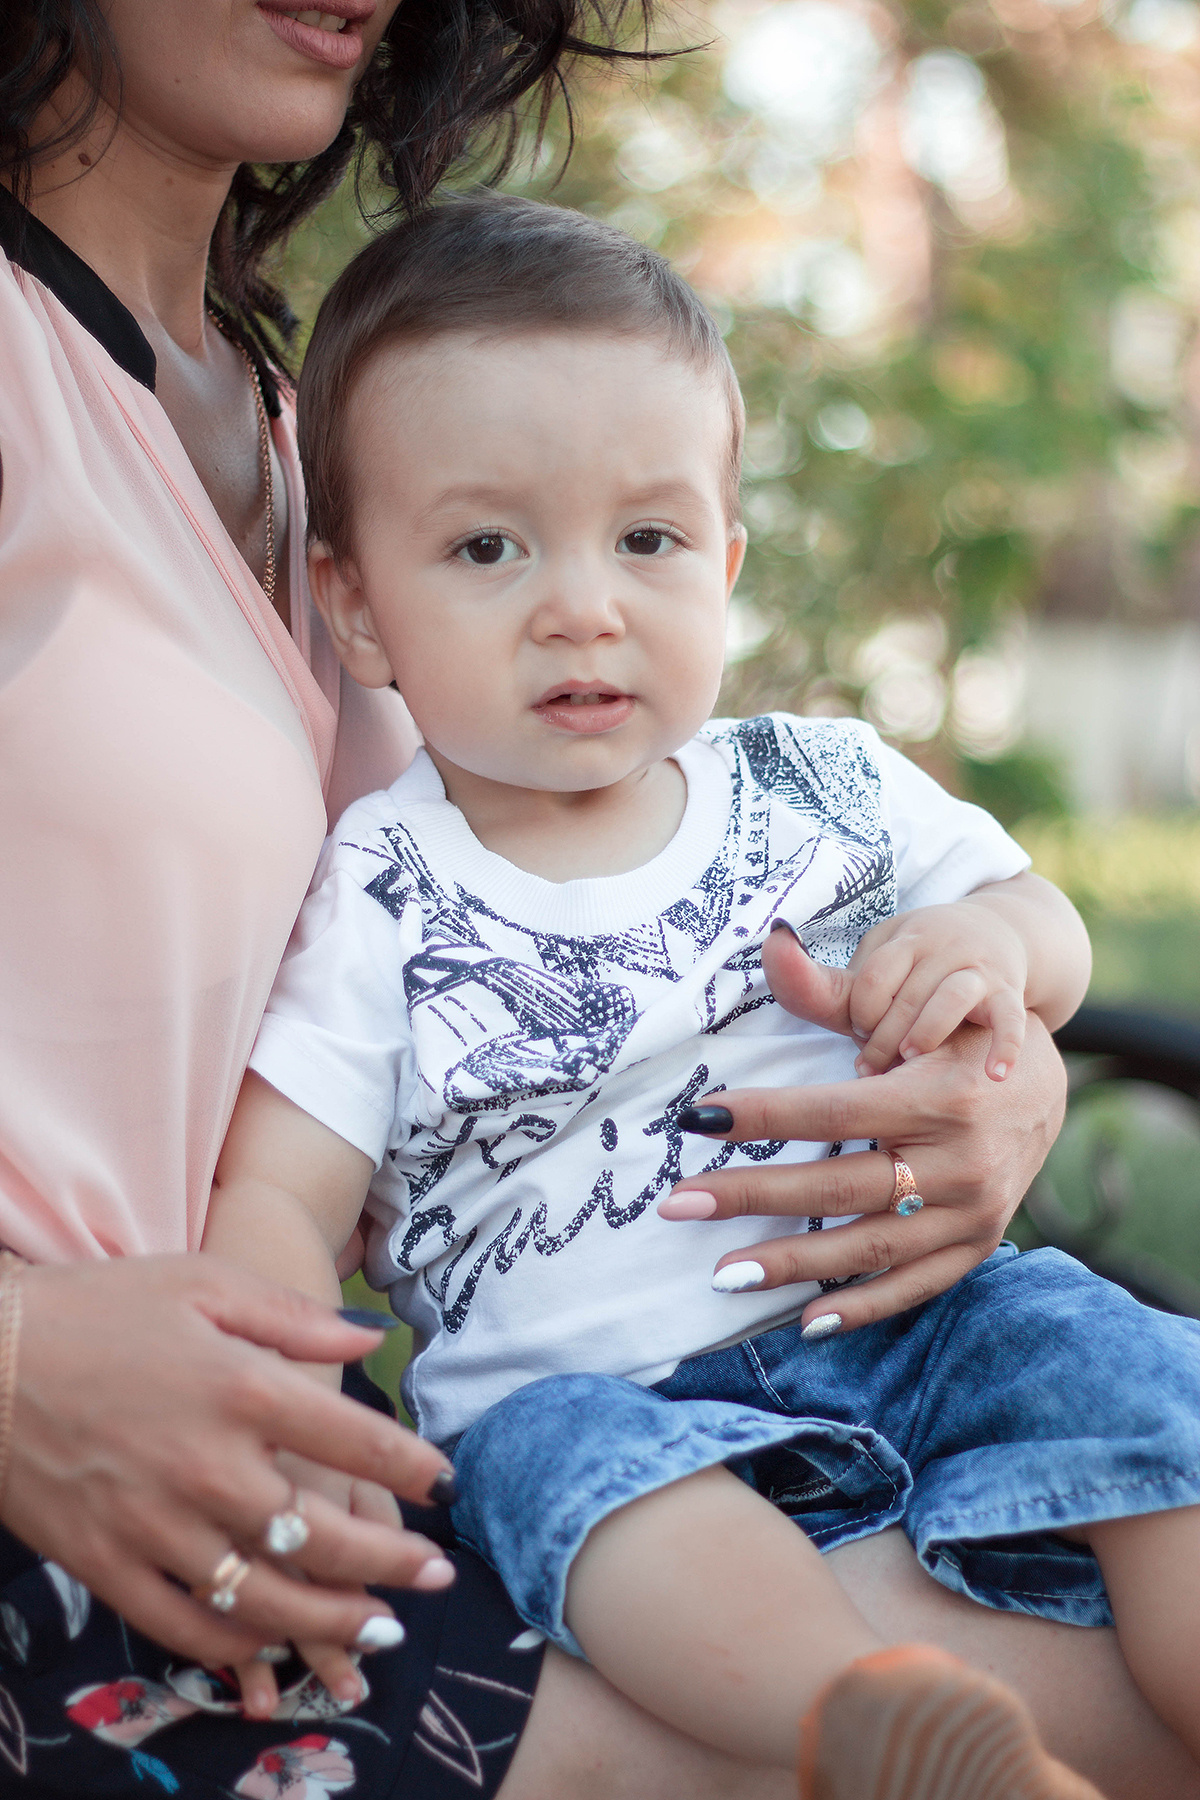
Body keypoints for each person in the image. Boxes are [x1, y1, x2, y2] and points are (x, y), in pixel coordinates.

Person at [0, 4, 1195, 1798]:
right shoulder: (377, 856)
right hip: (156, 1498)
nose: (577, 607)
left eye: (645, 543)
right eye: (492, 551)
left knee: (1130, 1418)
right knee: (628, 1530)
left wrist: (996, 1049)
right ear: (364, 592)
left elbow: (1003, 920)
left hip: (824, 1342)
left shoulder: (293, 409)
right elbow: (281, 1176)